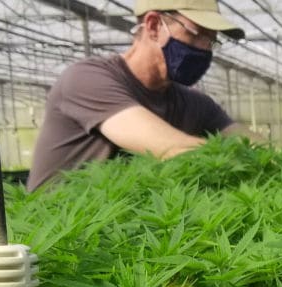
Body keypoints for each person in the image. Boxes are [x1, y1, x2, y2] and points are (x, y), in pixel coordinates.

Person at [28, 0, 259, 191]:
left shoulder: (195, 104)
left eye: (211, 41)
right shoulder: (87, 79)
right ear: (154, 25)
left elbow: (256, 147)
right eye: (197, 34)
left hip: (126, 233)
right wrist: (245, 160)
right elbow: (171, 149)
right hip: (58, 237)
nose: (204, 49)